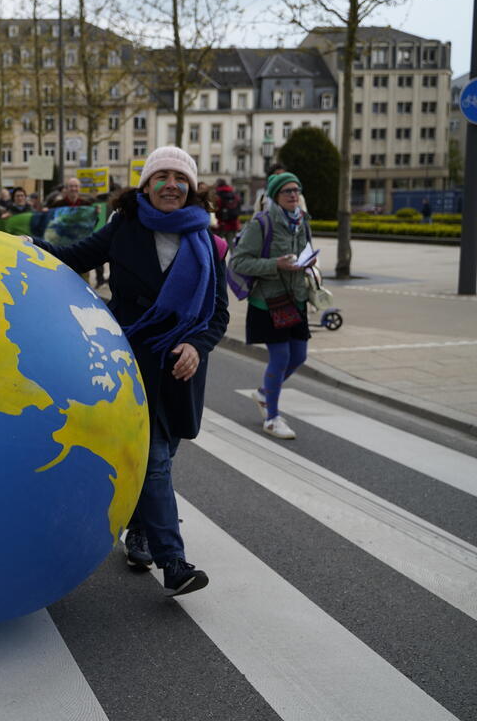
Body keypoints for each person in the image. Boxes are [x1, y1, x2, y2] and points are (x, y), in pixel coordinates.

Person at [30, 146, 227, 597]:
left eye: (180, 177)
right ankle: (173, 562)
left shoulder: (210, 243)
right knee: (154, 460)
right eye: (162, 176)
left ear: (192, 188)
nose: (171, 185)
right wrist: (22, 247)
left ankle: (139, 533)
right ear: (146, 185)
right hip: (130, 358)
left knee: (161, 459)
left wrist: (196, 345)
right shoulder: (123, 228)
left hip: (180, 369)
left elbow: (217, 315)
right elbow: (69, 257)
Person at [229, 172, 315, 440]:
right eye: (287, 191)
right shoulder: (262, 223)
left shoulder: (302, 222)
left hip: (296, 298)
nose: (293, 195)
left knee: (299, 356)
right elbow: (239, 262)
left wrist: (307, 262)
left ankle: (264, 393)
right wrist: (274, 264)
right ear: (276, 196)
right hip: (268, 301)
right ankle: (272, 417)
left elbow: (305, 251)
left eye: (296, 190)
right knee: (280, 358)